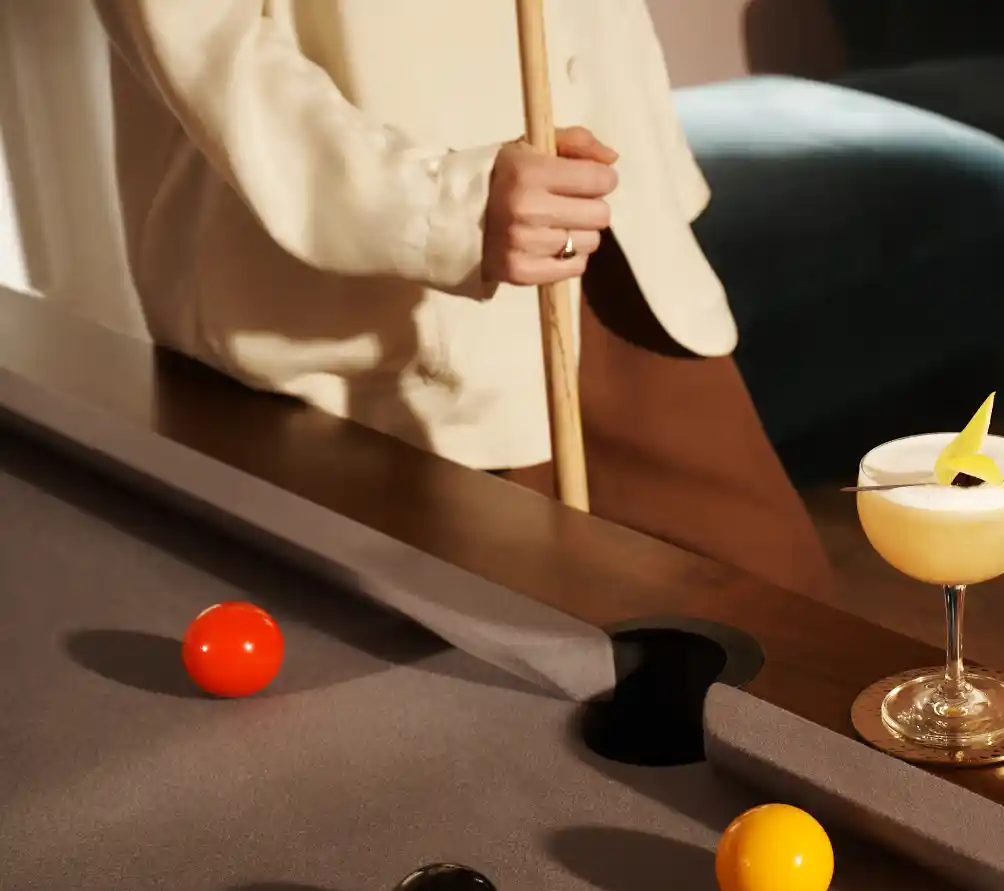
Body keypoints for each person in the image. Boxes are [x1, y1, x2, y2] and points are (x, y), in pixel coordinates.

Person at [91, 1, 834, 601]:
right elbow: (217, 54)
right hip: (372, 325)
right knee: (500, 709)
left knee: (788, 632)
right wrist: (446, 209)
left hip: (611, 244)